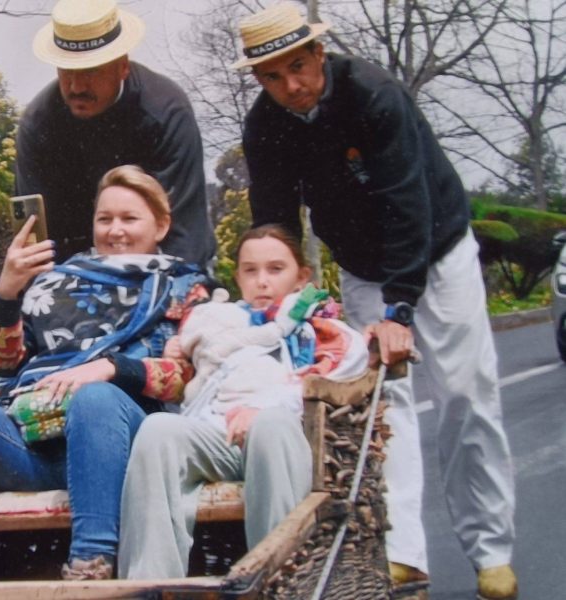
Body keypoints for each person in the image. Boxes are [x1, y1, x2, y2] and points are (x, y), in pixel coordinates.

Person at [231, 4, 517, 599]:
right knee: (381, 411)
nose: (291, 87)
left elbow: (407, 201)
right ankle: (403, 555)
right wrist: (274, 291)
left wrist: (401, 310)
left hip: (436, 251)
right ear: (259, 79)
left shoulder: (374, 94)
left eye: (299, 68)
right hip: (360, 265)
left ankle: (491, 550)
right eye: (273, 77)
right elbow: (277, 216)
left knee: (466, 393)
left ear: (318, 54)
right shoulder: (266, 124)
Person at [0, 165, 209, 583]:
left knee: (95, 398)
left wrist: (110, 368)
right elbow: (2, 364)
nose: (115, 230)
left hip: (124, 445)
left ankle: (92, 565)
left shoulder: (184, 288)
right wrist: (8, 291)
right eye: (105, 219)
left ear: (161, 224)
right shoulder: (54, 283)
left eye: (130, 218)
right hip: (35, 440)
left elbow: (190, 376)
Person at [119, 225, 368, 579]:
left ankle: (276, 583)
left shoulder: (323, 329)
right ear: (237, 276)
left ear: (302, 276)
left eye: (275, 269)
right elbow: (190, 366)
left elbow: (341, 376)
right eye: (251, 270)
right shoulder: (224, 322)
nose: (262, 281)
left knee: (271, 424)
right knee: (158, 430)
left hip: (285, 439)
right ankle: (150, 584)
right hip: (217, 435)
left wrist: (266, 405)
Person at [16, 0, 215, 269]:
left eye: (91, 71)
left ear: (123, 66)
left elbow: (185, 233)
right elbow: (35, 234)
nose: (76, 87)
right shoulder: (37, 125)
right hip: (74, 265)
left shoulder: (167, 112)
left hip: (161, 260)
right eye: (67, 71)